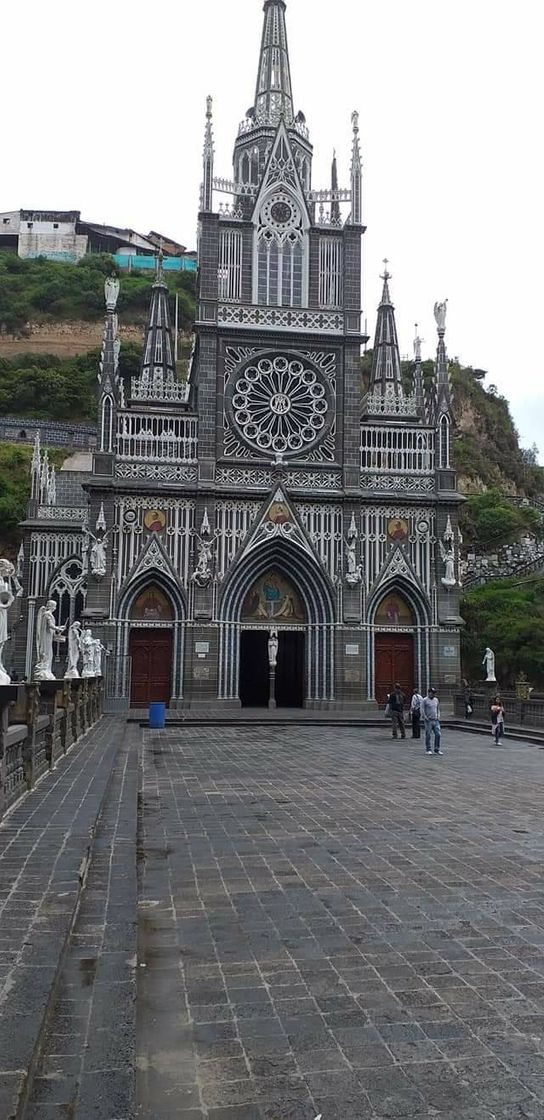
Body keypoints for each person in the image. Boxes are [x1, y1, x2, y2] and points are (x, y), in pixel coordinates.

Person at [422, 687, 442, 754]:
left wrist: (438, 716)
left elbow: (438, 708)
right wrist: (425, 717)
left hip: (436, 720)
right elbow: (422, 709)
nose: (433, 694)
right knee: (428, 735)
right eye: (432, 693)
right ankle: (428, 749)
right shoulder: (425, 700)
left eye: (434, 693)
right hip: (428, 720)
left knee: (438, 734)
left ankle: (437, 749)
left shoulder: (436, 700)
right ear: (429, 693)